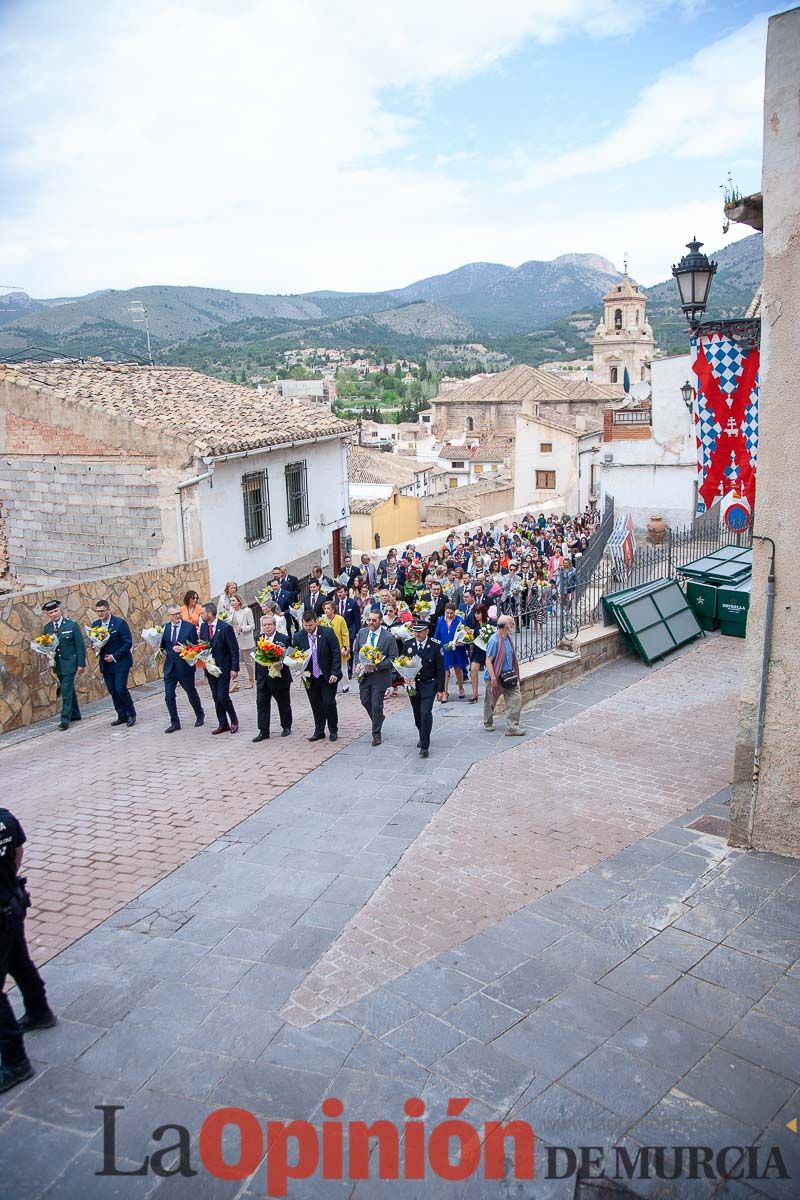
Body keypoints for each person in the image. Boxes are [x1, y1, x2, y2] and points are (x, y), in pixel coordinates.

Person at [0, 806, 56, 1094]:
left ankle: (15, 1061)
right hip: (13, 902)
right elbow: (17, 853)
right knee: (19, 961)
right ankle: (39, 1010)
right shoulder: (5, 819)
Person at [293, 610, 341, 742]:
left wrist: (334, 672)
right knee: (315, 704)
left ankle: (333, 729)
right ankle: (319, 730)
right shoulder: (298, 636)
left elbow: (336, 653)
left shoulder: (327, 633)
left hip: (327, 675)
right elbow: (295, 655)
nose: (308, 628)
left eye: (311, 625)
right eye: (305, 625)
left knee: (328, 702)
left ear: (316, 622)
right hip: (310, 676)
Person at [352, 609, 397, 746]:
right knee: (365, 701)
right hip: (364, 676)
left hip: (380, 676)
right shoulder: (362, 633)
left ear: (380, 621)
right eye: (369, 620)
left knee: (376, 704)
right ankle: (379, 719)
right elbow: (356, 652)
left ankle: (376, 733)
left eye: (374, 620)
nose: (371, 622)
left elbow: (393, 658)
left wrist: (377, 666)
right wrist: (358, 664)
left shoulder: (388, 637)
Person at [41, 599, 86, 731]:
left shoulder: (71, 625)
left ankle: (65, 719)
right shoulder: (48, 628)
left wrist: (81, 664)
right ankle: (76, 713)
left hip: (70, 663)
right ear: (47, 615)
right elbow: (47, 645)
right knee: (68, 689)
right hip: (58, 664)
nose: (54, 614)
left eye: (56, 611)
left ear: (60, 611)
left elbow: (80, 646)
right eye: (51, 613)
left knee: (65, 691)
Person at [404, 618, 445, 758]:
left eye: (420, 631)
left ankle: (425, 745)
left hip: (429, 683)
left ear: (427, 631)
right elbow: (402, 662)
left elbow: (440, 669)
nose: (417, 634)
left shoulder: (435, 646)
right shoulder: (408, 644)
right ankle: (422, 734)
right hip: (413, 685)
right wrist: (404, 676)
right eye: (415, 631)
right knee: (417, 715)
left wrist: (441, 690)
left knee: (426, 712)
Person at [91, 598, 136, 728]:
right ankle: (121, 715)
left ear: (109, 610)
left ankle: (131, 713)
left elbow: (127, 642)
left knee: (120, 688)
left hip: (120, 662)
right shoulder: (95, 625)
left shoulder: (119, 623)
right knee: (112, 690)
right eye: (98, 611)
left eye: (103, 611)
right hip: (106, 663)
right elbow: (93, 641)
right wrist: (95, 647)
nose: (100, 614)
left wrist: (114, 656)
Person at [160, 606, 205, 732]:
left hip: (184, 667)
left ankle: (199, 714)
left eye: (179, 613)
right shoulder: (166, 628)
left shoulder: (189, 627)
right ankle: (175, 722)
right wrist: (158, 649)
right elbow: (163, 645)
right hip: (170, 667)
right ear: (169, 615)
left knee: (191, 692)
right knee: (169, 696)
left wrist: (184, 649)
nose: (177, 616)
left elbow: (196, 647)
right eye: (174, 614)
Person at [199, 602, 240, 734]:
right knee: (216, 696)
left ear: (210, 614)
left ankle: (234, 720)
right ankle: (223, 723)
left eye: (203, 613)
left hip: (224, 667)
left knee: (223, 695)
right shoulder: (204, 627)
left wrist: (234, 668)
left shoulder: (225, 628)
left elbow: (233, 649)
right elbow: (203, 645)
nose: (201, 615)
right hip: (210, 667)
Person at [253, 611, 292, 741]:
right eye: (265, 625)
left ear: (275, 625)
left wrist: (280, 664)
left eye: (270, 624)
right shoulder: (259, 639)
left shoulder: (283, 638)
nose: (267, 627)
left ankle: (286, 725)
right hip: (263, 677)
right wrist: (257, 677)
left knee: (283, 703)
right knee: (261, 703)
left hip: (279, 676)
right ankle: (263, 730)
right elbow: (257, 659)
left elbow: (288, 657)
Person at [483, 615, 525, 736]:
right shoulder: (494, 640)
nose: (514, 625)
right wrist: (493, 678)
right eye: (512, 623)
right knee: (491, 701)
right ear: (505, 627)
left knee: (515, 699)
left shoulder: (508, 638)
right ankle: (487, 722)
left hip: (509, 675)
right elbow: (488, 661)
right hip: (495, 676)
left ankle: (512, 727)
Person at [434, 602, 468, 702]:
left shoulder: (459, 620)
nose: (449, 615)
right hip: (444, 648)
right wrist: (437, 646)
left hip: (457, 648)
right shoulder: (440, 620)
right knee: (445, 670)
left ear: (455, 612)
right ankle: (445, 692)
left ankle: (461, 687)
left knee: (458, 668)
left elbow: (465, 635)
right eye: (447, 613)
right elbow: (437, 634)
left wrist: (459, 642)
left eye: (451, 613)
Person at [321, 599, 351, 693]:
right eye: (325, 609)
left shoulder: (340, 619)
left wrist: (345, 647)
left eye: (328, 608)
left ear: (333, 609)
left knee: (343, 667)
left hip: (340, 647)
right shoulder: (322, 620)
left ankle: (345, 685)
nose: (326, 611)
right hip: (327, 647)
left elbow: (345, 634)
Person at [466, 602, 493, 704]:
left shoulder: (491, 623)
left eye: (479, 613)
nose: (477, 615)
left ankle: (491, 692)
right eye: (475, 613)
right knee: (473, 669)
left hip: (488, 651)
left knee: (490, 672)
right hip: (477, 650)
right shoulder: (474, 623)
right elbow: (470, 635)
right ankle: (474, 694)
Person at [229, 594, 256, 691]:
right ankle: (235, 682)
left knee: (247, 660)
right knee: (233, 659)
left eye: (233, 601)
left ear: (239, 601)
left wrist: (242, 628)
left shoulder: (246, 611)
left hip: (244, 637)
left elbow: (252, 625)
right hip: (234, 637)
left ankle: (251, 679)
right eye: (231, 601)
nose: (232, 603)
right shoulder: (231, 611)